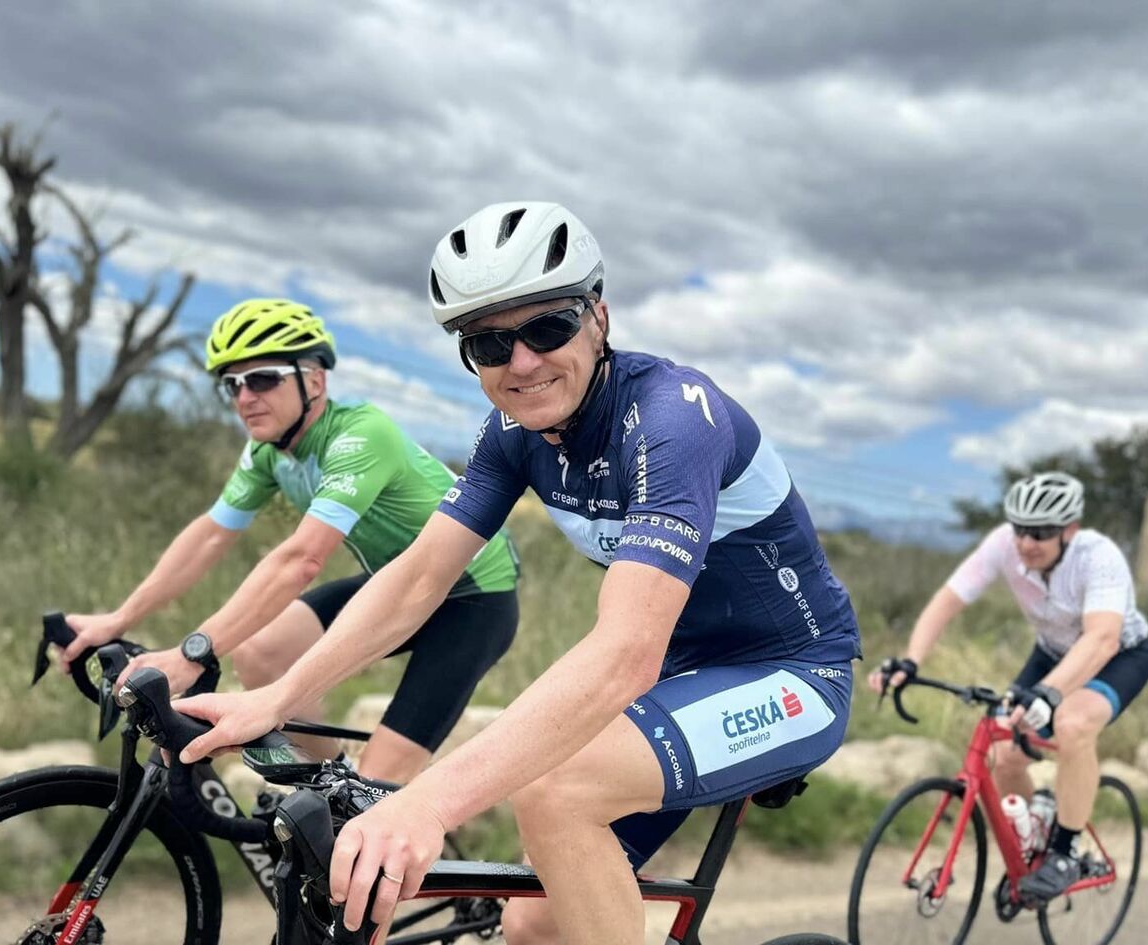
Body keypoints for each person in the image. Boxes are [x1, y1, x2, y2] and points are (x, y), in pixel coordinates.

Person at [173, 204, 862, 944]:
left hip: (790, 670)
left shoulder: (673, 418)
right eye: (490, 343)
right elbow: (419, 577)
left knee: (557, 792)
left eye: (549, 327)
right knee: (532, 923)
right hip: (681, 673)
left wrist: (426, 802)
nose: (522, 362)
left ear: (599, 318)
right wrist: (276, 696)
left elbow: (625, 653)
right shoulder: (513, 433)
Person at [64, 298, 521, 782]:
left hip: (474, 598)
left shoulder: (361, 435)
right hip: (397, 581)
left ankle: (361, 799)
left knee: (379, 782)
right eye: (232, 385)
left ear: (315, 381)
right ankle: (327, 782)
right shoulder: (269, 452)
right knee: (259, 651)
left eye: (263, 379)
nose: (244, 397)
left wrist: (193, 653)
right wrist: (119, 618)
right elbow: (210, 536)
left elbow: (301, 559)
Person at [869, 470, 1148, 903]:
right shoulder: (1003, 544)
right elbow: (948, 600)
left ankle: (1065, 851)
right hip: (1053, 653)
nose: (1026, 542)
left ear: (1070, 530)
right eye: (1020, 529)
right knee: (1003, 752)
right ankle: (1035, 844)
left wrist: (1049, 694)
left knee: (1073, 724)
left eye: (1040, 533)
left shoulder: (1099, 556)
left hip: (1119, 657)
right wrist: (911, 660)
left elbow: (1102, 639)